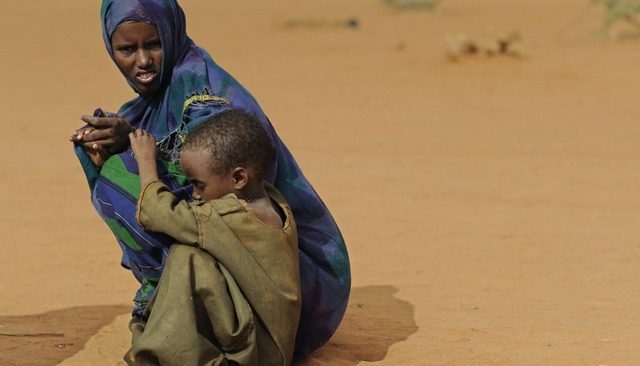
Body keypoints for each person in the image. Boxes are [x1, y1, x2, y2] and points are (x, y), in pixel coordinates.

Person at [70, 0, 350, 356]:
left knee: (122, 179)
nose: (142, 61)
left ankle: (179, 307)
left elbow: (216, 180)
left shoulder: (207, 95)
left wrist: (140, 154)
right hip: (249, 282)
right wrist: (122, 140)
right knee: (117, 168)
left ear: (171, 35)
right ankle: (179, 304)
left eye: (153, 44)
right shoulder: (150, 103)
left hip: (297, 285)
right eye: (127, 48)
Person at [125, 109, 301, 365]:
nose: (195, 194)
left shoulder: (226, 216)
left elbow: (156, 212)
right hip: (272, 350)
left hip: (254, 354)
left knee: (188, 257)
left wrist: (146, 161)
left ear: (239, 178)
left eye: (200, 185)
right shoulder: (274, 202)